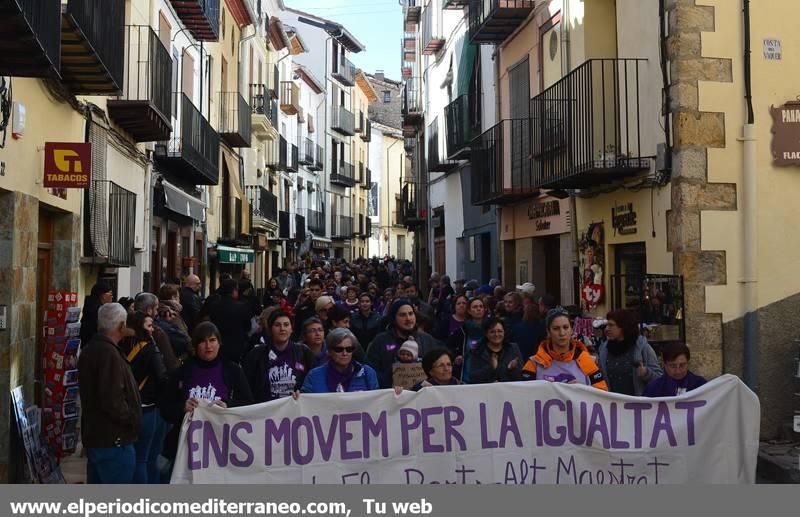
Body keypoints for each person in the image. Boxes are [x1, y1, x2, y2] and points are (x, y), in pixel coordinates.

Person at [158, 322, 252, 465]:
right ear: (195, 345)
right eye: (203, 341)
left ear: (219, 343)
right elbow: (165, 408)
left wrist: (228, 405)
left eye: (212, 340)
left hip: (222, 445)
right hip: (187, 446)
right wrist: (182, 407)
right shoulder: (182, 372)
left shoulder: (232, 369)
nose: (208, 346)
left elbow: (249, 403)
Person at [78, 303, 141, 484]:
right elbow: (112, 400)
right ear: (121, 326)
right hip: (113, 441)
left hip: (100, 439)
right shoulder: (108, 353)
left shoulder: (92, 349)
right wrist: (132, 418)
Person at [120, 311, 167, 484]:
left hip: (125, 405)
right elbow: (161, 376)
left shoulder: (121, 346)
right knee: (144, 458)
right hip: (146, 406)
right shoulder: (150, 348)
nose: (152, 330)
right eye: (149, 326)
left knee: (129, 457)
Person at [521, 307, 609, 390]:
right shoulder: (534, 364)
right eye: (556, 328)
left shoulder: (588, 361)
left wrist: (582, 390)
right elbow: (524, 396)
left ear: (571, 330)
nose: (562, 333)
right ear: (548, 332)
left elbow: (602, 396)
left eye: (565, 327)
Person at [242, 310, 314, 402]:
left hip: (295, 409)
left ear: (291, 329)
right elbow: (247, 388)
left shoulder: (304, 352)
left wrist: (303, 393)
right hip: (266, 410)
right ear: (270, 329)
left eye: (286, 325)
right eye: (277, 325)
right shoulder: (256, 354)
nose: (282, 328)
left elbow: (312, 383)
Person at [366, 299, 437, 388]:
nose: (408, 318)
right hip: (391, 395)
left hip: (422, 396)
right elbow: (372, 371)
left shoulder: (426, 339)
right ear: (394, 319)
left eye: (411, 314)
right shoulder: (381, 340)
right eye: (402, 315)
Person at [597, 309, 662, 396]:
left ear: (624, 326)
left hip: (638, 406)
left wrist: (646, 373)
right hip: (612, 406)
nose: (606, 329)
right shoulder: (604, 350)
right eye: (606, 325)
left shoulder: (643, 348)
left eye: (611, 325)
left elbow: (660, 379)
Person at [300, 329, 379, 393]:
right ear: (330, 351)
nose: (344, 353)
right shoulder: (314, 375)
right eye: (339, 349)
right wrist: (297, 397)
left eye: (349, 349)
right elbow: (305, 402)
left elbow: (376, 402)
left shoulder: (368, 373)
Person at [202, 278, 252, 364]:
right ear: (234, 291)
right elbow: (248, 326)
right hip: (236, 346)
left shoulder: (213, 306)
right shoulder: (242, 307)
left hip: (218, 345)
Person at [134, 293, 181, 372]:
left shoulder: (126, 329)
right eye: (156, 309)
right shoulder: (157, 332)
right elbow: (170, 362)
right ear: (149, 310)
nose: (156, 313)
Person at [643, 342, 707, 397]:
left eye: (682, 365)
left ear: (688, 363)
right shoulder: (652, 389)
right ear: (664, 365)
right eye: (672, 366)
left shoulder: (702, 385)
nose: (678, 371)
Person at [470, 318, 523, 384]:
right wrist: (491, 367)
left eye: (500, 331)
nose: (496, 334)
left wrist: (512, 369)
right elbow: (474, 378)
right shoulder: (478, 350)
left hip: (508, 391)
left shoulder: (513, 348)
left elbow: (520, 377)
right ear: (486, 334)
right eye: (492, 332)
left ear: (504, 332)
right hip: (487, 391)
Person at [446, 297, 486, 383]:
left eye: (481, 306)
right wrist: (455, 357)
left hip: (487, 375)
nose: (479, 309)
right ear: (469, 311)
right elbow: (449, 348)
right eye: (475, 307)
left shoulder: (491, 329)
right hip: (466, 376)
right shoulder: (462, 330)